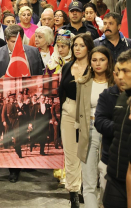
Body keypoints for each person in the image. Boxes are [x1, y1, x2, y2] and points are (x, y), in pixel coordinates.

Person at [74, 46, 114, 208]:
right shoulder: (83, 83)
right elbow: (78, 112)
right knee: (89, 180)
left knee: (106, 177)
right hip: (88, 131)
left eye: (102, 60)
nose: (98, 64)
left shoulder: (115, 84)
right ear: (90, 62)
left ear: (108, 62)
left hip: (109, 133)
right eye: (94, 60)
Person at [59, 33, 95, 208]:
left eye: (81, 45)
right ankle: (73, 193)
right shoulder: (67, 67)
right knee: (71, 155)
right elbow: (61, 92)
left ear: (89, 47)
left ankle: (86, 189)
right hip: (68, 111)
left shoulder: (94, 67)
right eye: (75, 45)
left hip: (89, 113)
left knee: (87, 154)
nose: (77, 48)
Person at [101, 49, 131, 208]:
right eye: (118, 71)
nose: (119, 76)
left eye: (125, 71)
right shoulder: (122, 97)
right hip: (114, 176)